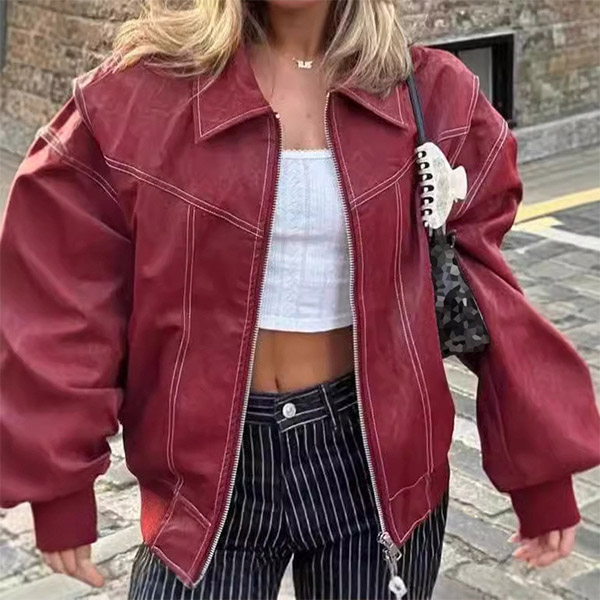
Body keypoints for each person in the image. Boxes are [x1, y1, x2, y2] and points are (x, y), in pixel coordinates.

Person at [1, 0, 599, 599]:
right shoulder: (140, 95)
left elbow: (482, 289)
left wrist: (540, 471)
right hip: (205, 474)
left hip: (375, 467)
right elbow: (65, 290)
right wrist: (60, 482)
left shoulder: (432, 94)